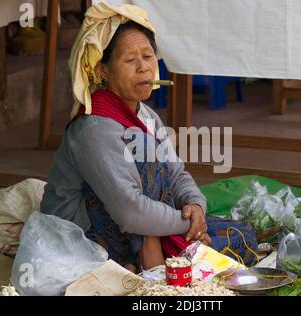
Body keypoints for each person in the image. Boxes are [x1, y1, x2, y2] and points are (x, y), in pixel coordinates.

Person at [40, 2, 257, 273]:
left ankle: (146, 259)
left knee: (242, 237)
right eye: (130, 60)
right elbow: (129, 211)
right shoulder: (93, 127)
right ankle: (150, 263)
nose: (144, 68)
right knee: (143, 152)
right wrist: (186, 224)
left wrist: (195, 206)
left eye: (148, 56)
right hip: (84, 236)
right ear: (101, 71)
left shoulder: (146, 115)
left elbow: (177, 173)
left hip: (138, 222)